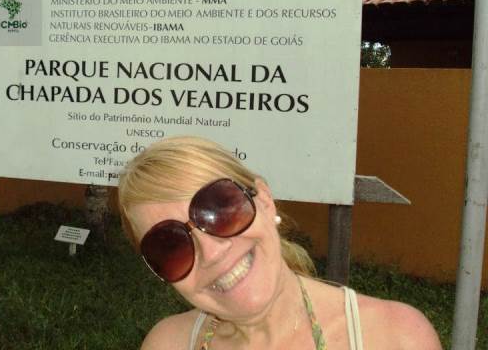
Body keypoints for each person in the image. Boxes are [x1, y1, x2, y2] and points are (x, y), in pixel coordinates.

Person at [117, 136, 442, 350]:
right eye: (169, 246)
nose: (212, 252)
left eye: (219, 208)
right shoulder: (167, 344)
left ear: (266, 201)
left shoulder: (395, 337)